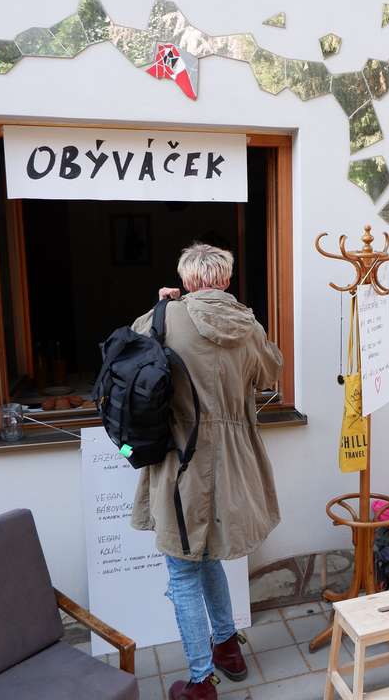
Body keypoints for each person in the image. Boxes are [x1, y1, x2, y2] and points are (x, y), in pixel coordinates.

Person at [129, 243, 283, 700]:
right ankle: (227, 647)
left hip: (181, 459)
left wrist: (161, 307)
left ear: (186, 280)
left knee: (182, 571)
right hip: (232, 460)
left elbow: (130, 354)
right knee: (207, 555)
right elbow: (269, 375)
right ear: (227, 280)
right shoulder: (248, 324)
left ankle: (200, 682)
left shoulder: (164, 319)